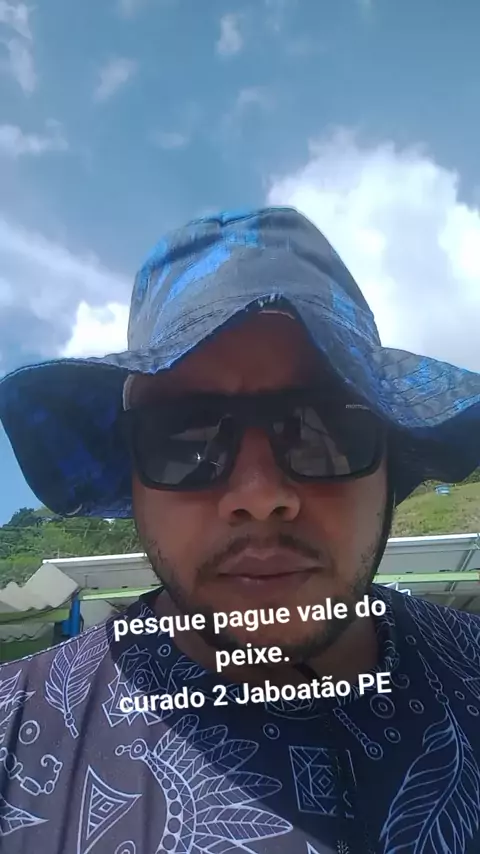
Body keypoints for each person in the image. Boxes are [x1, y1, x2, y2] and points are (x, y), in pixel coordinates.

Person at [0, 207, 479, 854]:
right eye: (185, 437)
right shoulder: (14, 743)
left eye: (323, 427)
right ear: (133, 475)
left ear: (390, 457)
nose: (259, 497)